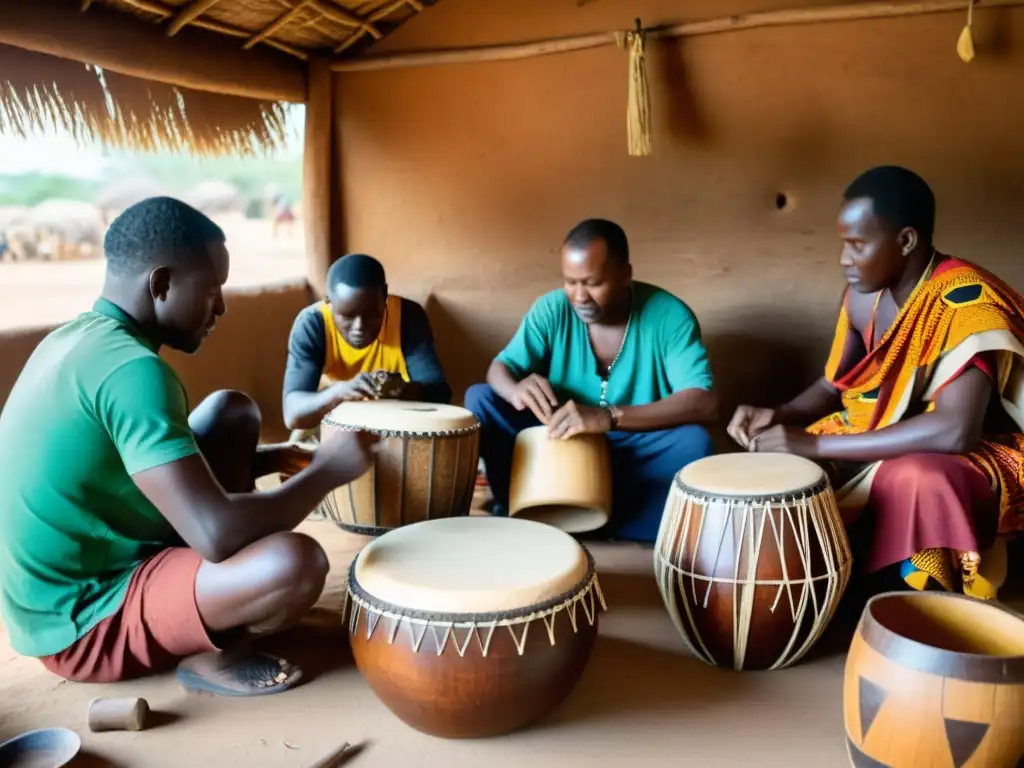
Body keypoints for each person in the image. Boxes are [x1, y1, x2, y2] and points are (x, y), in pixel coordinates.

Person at [0, 197, 378, 696]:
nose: (220, 307)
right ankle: (210, 653)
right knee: (294, 564)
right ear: (160, 285)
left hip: (73, 576)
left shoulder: (77, 338)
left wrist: (272, 458)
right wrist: (327, 471)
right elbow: (216, 535)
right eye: (212, 290)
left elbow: (122, 471)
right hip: (82, 618)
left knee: (231, 412)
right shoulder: (134, 372)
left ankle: (201, 601)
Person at [728, 165, 1023, 600]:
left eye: (857, 245)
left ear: (906, 241)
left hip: (983, 452)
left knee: (919, 477)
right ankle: (820, 591)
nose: (843, 259)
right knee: (782, 472)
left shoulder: (964, 302)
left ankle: (918, 599)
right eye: (843, 244)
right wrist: (783, 415)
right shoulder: (862, 294)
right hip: (868, 431)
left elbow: (956, 430)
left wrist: (814, 444)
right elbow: (836, 385)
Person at [466, 218, 718, 543]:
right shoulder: (553, 309)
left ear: (625, 274)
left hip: (633, 447)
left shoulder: (669, 316)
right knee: (481, 397)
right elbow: (499, 369)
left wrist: (608, 417)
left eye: (593, 283)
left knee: (696, 443)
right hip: (560, 444)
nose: (579, 296)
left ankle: (606, 520)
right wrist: (516, 389)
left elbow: (704, 401)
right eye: (570, 282)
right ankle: (520, 502)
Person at [282, 253, 451, 438]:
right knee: (299, 449)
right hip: (330, 415)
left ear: (384, 296)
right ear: (329, 301)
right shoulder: (313, 324)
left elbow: (440, 394)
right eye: (347, 317)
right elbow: (293, 415)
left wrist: (402, 389)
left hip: (393, 419)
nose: (359, 328)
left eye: (372, 316)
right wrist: (341, 391)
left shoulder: (407, 317)